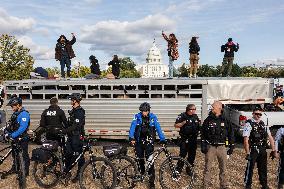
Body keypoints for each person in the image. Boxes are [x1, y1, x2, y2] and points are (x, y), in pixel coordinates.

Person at [129, 102, 166, 189]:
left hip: (149, 143)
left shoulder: (153, 117)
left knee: (150, 162)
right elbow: (132, 127)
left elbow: (158, 128)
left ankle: (151, 182)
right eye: (142, 111)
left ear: (148, 111)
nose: (144, 113)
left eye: (145, 111)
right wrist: (131, 137)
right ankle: (142, 174)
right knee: (140, 160)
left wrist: (162, 139)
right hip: (138, 143)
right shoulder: (137, 117)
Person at [201, 101, 234, 189]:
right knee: (207, 167)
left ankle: (224, 185)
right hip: (210, 147)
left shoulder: (225, 120)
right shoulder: (208, 120)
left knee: (223, 168)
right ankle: (205, 185)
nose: (211, 108)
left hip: (222, 147)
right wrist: (203, 145)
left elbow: (231, 133)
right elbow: (203, 133)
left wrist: (231, 146)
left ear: (219, 108)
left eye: (213, 107)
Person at [243, 107, 277, 189]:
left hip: (262, 149)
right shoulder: (249, 124)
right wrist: (247, 152)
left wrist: (273, 150)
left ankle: (264, 185)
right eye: (256, 114)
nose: (258, 115)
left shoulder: (263, 124)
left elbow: (270, 137)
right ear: (253, 114)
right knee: (250, 168)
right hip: (253, 149)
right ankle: (248, 185)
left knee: (263, 168)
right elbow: (246, 139)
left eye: (260, 114)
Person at [3, 96, 30, 177]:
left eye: (13, 106)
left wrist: (12, 135)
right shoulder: (15, 114)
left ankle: (25, 172)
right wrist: (6, 131)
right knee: (15, 155)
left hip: (22, 139)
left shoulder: (24, 114)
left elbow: (22, 128)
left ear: (18, 105)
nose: (12, 108)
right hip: (15, 139)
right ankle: (15, 168)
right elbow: (11, 125)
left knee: (24, 155)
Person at [63, 93, 85, 183]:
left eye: (72, 99)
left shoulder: (79, 111)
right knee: (68, 154)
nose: (70, 101)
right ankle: (67, 172)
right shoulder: (73, 110)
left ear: (75, 100)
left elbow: (75, 126)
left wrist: (64, 131)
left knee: (79, 156)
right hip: (71, 136)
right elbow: (70, 124)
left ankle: (79, 174)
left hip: (77, 136)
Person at [175, 104, 200, 175]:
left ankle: (189, 169)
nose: (195, 110)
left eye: (195, 109)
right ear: (189, 110)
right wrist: (183, 123)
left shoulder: (195, 116)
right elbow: (176, 125)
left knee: (192, 155)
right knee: (182, 155)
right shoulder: (182, 115)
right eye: (193, 109)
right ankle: (178, 169)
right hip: (185, 139)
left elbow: (198, 125)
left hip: (193, 139)